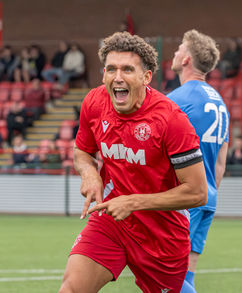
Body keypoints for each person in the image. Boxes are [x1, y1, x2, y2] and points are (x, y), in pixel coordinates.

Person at [59, 31, 208, 293]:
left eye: (128, 69)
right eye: (111, 69)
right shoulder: (94, 102)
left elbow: (197, 193)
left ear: (146, 76)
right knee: (72, 289)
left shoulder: (172, 120)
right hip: (112, 221)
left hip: (162, 235)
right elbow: (82, 152)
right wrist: (90, 174)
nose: (118, 77)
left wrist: (133, 202)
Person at [167, 29, 229, 293]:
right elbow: (220, 163)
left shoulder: (178, 100)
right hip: (208, 196)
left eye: (180, 48)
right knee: (187, 277)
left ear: (186, 60)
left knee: (169, 280)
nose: (175, 51)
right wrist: (207, 192)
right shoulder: (219, 102)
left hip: (184, 198)